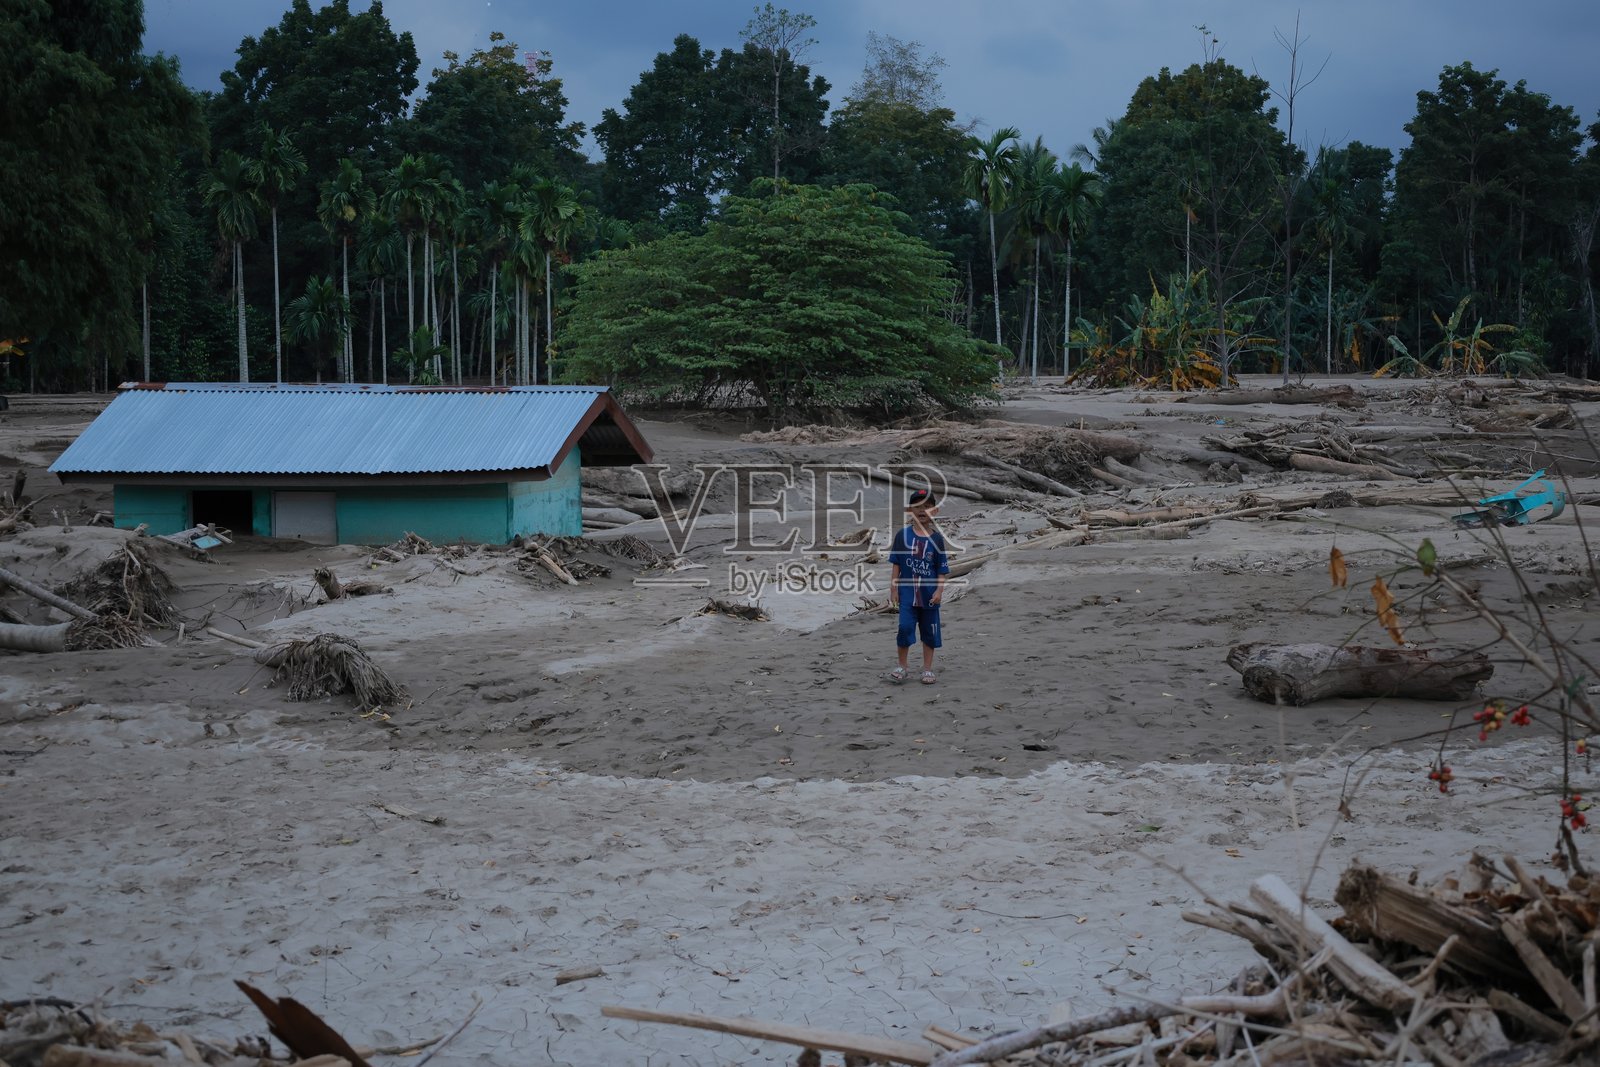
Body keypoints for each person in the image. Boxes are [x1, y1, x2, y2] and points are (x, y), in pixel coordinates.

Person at [887, 488, 949, 685]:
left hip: (929, 596)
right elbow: (896, 563)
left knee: (929, 632)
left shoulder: (937, 539)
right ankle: (902, 666)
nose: (922, 510)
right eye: (918, 506)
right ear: (910, 510)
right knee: (905, 627)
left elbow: (941, 568)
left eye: (927, 506)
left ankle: (927, 669)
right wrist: (893, 589)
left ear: (935, 511)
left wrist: (939, 590)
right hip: (907, 595)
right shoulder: (902, 535)